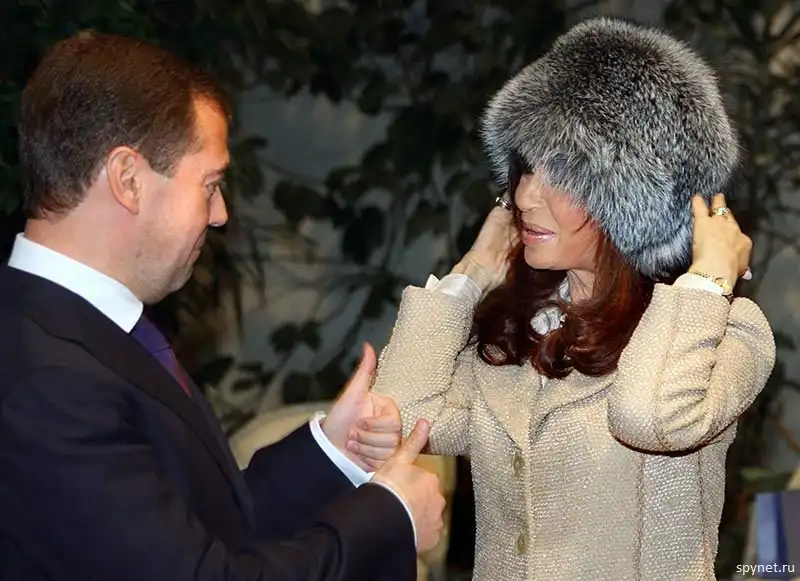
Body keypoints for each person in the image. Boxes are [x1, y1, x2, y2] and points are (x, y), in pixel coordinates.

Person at [0, 31, 445, 581]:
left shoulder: (82, 328)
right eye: (209, 185)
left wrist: (333, 449)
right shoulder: (48, 381)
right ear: (128, 180)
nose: (221, 214)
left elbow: (196, 529)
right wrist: (390, 516)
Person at [355, 17, 777, 581]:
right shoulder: (520, 328)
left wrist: (708, 280)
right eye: (525, 169)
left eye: (561, 174)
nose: (526, 197)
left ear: (632, 200)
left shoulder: (724, 332)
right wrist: (472, 273)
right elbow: (401, 415)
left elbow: (650, 419)